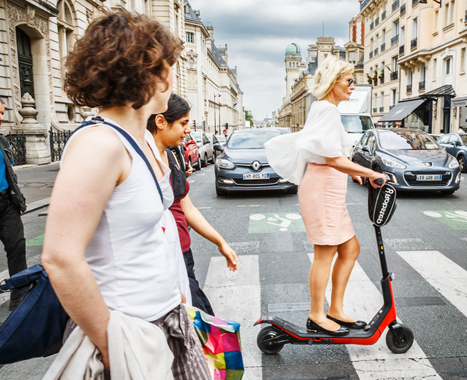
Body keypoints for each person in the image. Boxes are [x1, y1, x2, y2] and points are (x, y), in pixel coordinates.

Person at [41, 11, 211, 379]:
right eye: (168, 66)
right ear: (149, 71)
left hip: (165, 320)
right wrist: (110, 343)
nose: (172, 76)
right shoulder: (100, 144)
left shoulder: (141, 141)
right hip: (129, 331)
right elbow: (59, 258)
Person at [265, 56, 387, 336]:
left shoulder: (327, 110)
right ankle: (316, 315)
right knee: (325, 253)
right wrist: (370, 174)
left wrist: (355, 172)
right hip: (322, 190)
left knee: (350, 249)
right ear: (333, 82)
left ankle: (335, 310)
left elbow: (333, 152)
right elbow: (332, 159)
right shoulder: (326, 110)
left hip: (330, 187)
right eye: (349, 81)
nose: (352, 86)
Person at [148, 93, 238, 315]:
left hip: (182, 252)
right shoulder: (141, 161)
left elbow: (188, 209)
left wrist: (220, 242)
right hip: (161, 260)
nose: (188, 130)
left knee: (200, 323)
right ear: (160, 122)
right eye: (183, 123)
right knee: (199, 328)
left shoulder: (171, 156)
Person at [0, 95, 28, 310]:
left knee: (17, 247)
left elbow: (9, 172)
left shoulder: (1, 139)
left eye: (2, 113)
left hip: (5, 203)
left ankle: (20, 296)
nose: (1, 117)